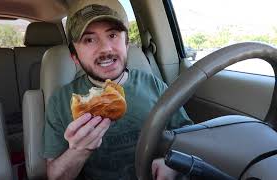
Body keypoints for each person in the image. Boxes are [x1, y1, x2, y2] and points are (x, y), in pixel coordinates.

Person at [43, 0, 193, 179]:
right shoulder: (61, 101)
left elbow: (189, 138)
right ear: (75, 57)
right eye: (89, 39)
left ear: (127, 43)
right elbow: (55, 176)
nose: (106, 48)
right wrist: (79, 150)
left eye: (113, 35)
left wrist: (172, 162)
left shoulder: (155, 85)